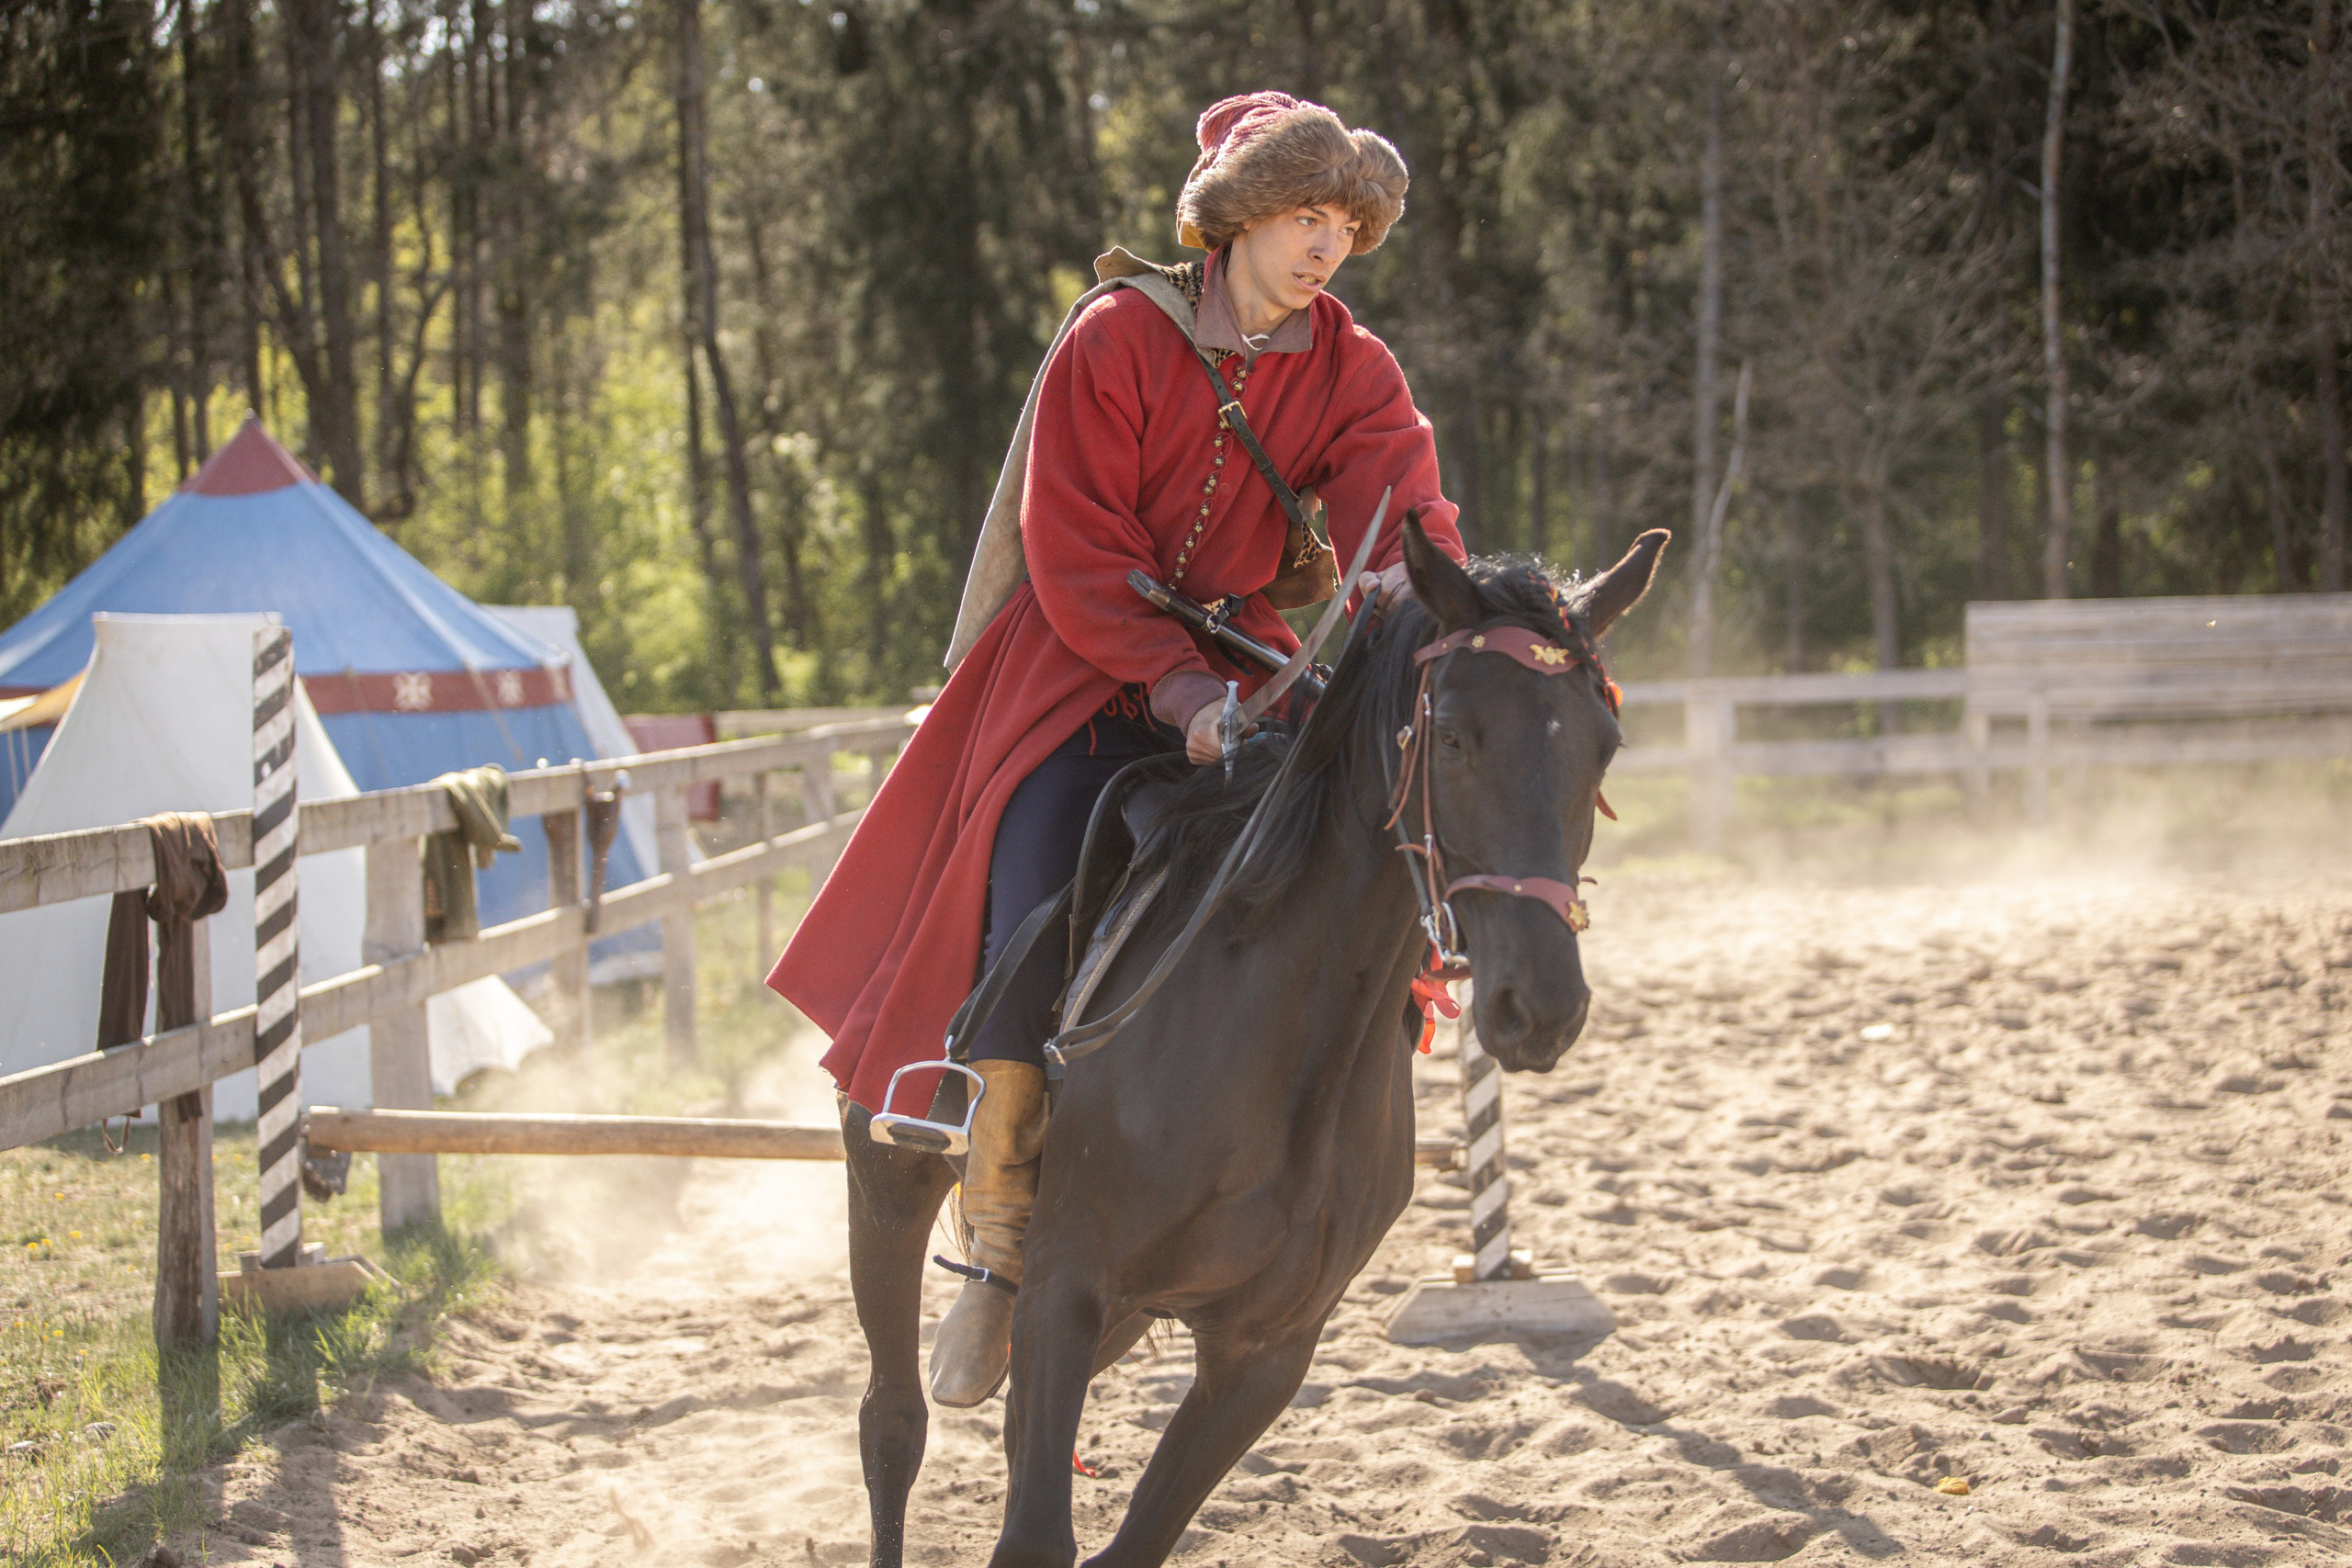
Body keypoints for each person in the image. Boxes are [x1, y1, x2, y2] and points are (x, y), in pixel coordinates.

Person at [767, 91, 1467, 1406]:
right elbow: (1079, 555)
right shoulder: (1114, 336)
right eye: (1304, 216)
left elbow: (1404, 511)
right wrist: (1180, 690)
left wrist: (1458, 610)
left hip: (1252, 662)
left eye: (1346, 224)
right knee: (1024, 910)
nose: (1327, 247)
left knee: (1351, 855)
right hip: (1079, 667)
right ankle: (1000, 1249)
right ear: (1240, 215)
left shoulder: (1351, 363)